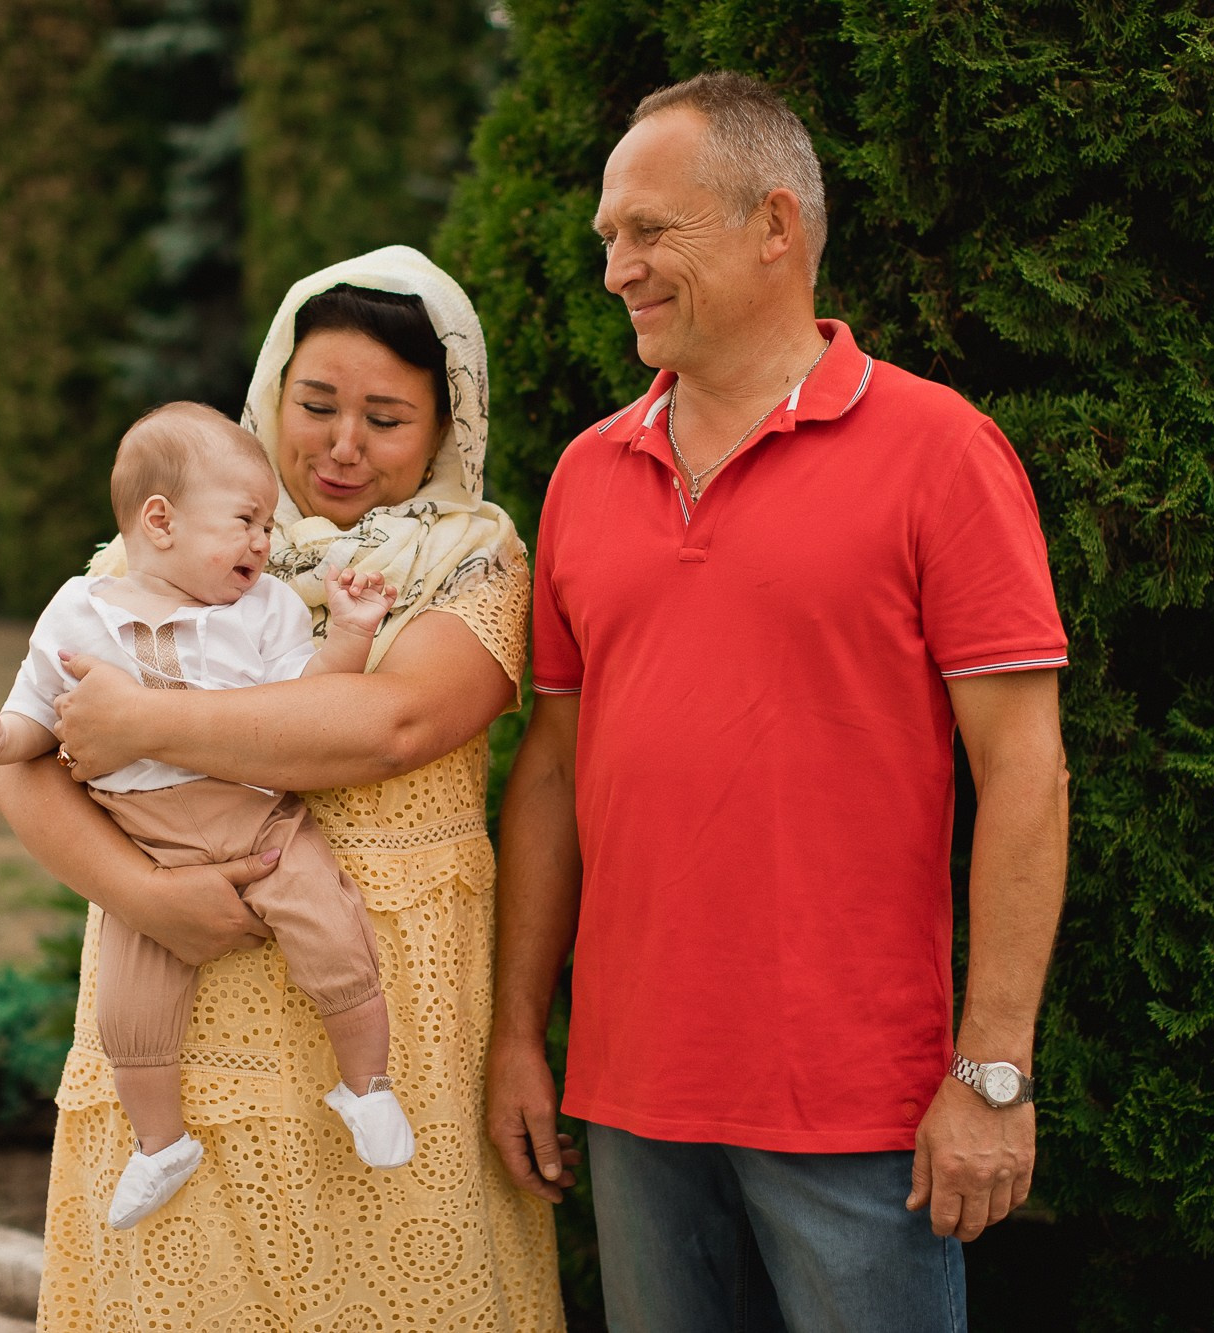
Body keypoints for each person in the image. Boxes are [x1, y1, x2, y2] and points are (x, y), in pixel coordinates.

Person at [487, 72, 1069, 1332]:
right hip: (631, 1095)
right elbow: (551, 769)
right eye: (607, 241)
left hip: (856, 1106)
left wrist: (994, 1074)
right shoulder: (587, 474)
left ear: (774, 225)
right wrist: (515, 1034)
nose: (616, 270)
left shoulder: (939, 449)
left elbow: (1023, 769)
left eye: (648, 232)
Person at [0, 247, 568, 1329]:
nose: (341, 446)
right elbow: (21, 775)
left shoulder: (473, 565)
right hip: (185, 1004)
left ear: (447, 426)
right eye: (316, 404)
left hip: (396, 1017)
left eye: (386, 417)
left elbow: (388, 723)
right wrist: (142, 892)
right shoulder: (142, 566)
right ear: (270, 395)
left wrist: (145, 721)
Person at [0, 403, 416, 1232]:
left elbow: (307, 703)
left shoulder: (263, 609)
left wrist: (348, 629)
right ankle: (160, 1142)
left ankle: (367, 1083)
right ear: (159, 520)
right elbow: (37, 721)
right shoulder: (78, 610)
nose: (264, 541)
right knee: (129, 1008)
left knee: (333, 932)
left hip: (259, 820)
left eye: (268, 524)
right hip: (143, 841)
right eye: (245, 521)